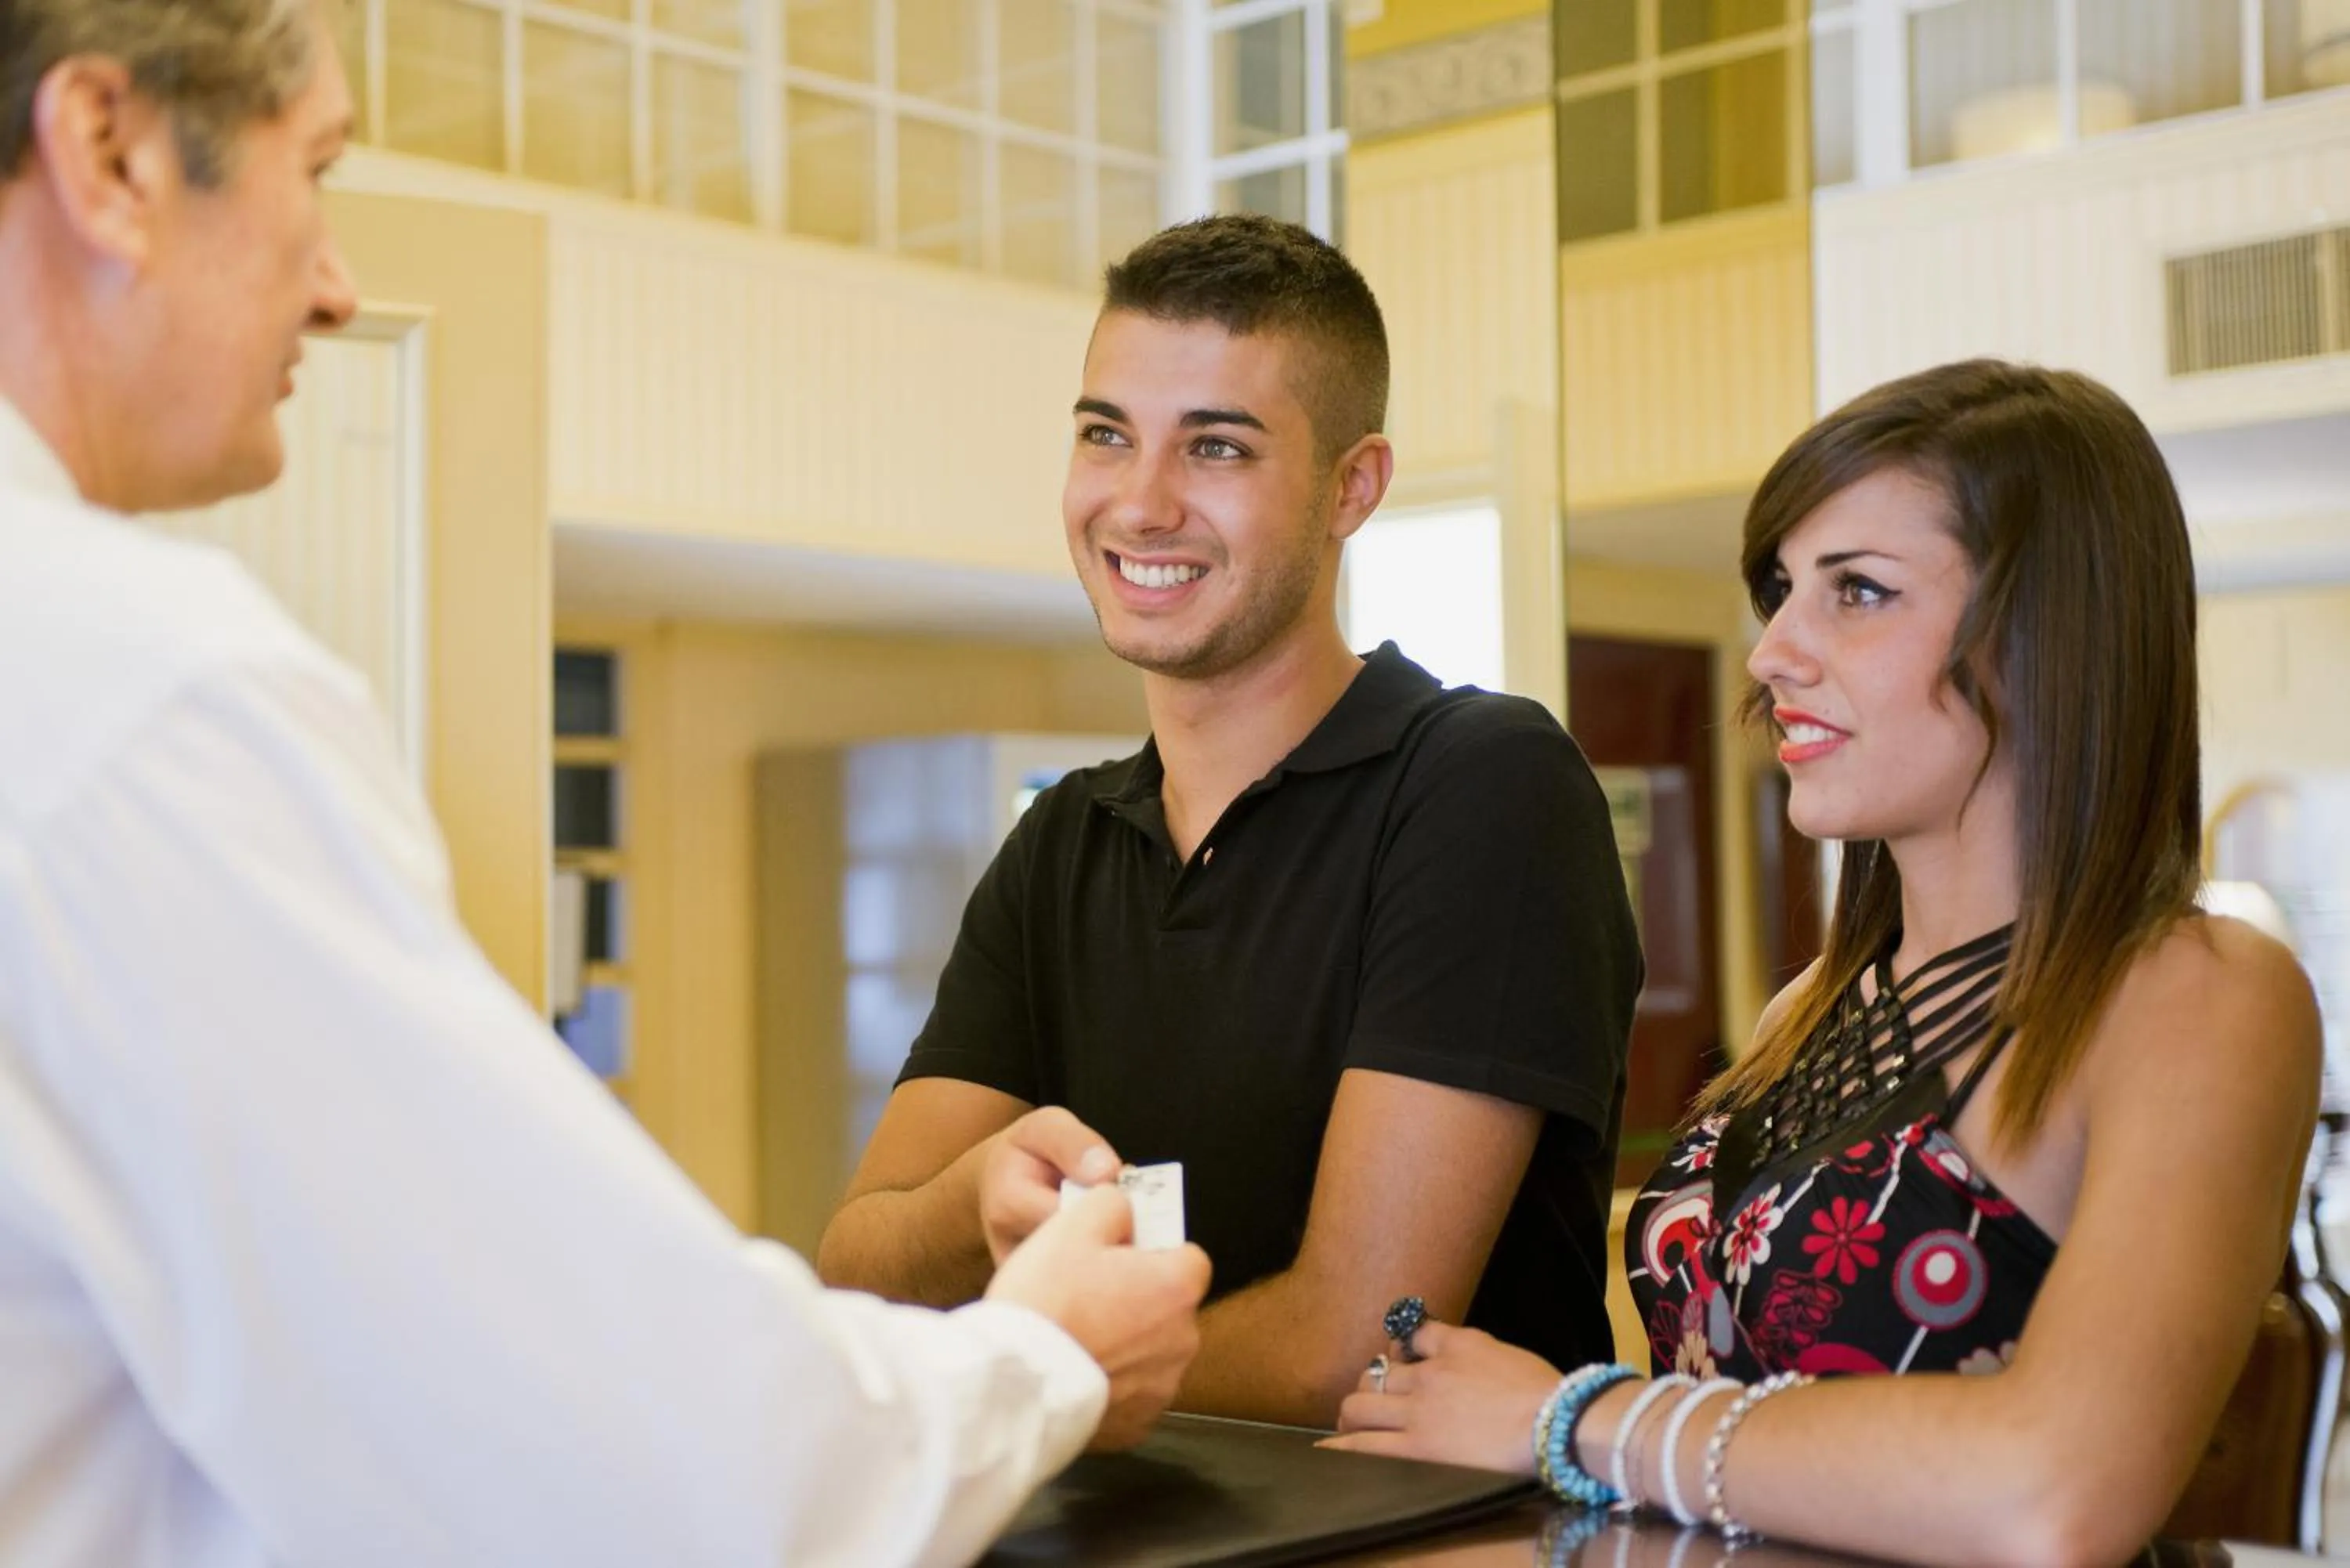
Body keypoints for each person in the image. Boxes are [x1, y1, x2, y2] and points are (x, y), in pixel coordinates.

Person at [0, 4, 1209, 1565]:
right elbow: (638, 1462)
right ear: (110, 154)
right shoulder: (141, 695)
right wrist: (1041, 1354)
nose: (338, 285)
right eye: (318, 171)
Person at [1325, 359, 2323, 1566]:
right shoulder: (1812, 1007)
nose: (1773, 652)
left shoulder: (2201, 993)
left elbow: (2058, 1489)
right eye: (1782, 591)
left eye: (1857, 590)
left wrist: (1574, 1418)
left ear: (2048, 632)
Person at [816, 214, 1643, 1429]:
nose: (1142, 503)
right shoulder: (1062, 844)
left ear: (1352, 487)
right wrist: (974, 1196)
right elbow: (856, 1269)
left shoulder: (1482, 784)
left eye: (1216, 447)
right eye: (1107, 434)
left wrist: (1016, 1360)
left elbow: (1349, 1347)